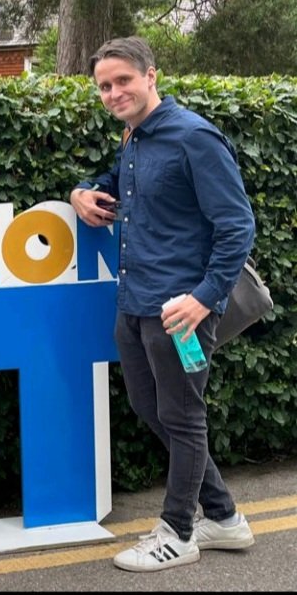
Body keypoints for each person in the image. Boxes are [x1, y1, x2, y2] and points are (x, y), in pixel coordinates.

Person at [70, 37, 256, 572]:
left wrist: (204, 299)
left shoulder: (193, 136)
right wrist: (82, 192)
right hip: (136, 300)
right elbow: (117, 183)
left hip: (180, 308)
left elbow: (238, 224)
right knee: (151, 409)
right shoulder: (135, 137)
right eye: (104, 85)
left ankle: (178, 531)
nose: (113, 92)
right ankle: (223, 517)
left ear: (151, 75)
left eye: (123, 80)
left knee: (182, 414)